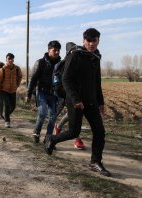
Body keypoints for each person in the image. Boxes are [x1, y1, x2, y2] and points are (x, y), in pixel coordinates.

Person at [44, 28, 111, 177]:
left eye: (94, 41)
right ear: (83, 41)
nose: (91, 44)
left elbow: (97, 81)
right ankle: (52, 139)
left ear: (98, 41)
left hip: (91, 101)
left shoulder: (96, 57)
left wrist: (101, 101)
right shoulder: (76, 55)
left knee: (100, 131)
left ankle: (95, 162)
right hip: (75, 101)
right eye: (88, 41)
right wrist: (75, 99)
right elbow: (66, 79)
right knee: (74, 131)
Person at [25, 40, 61, 143]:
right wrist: (28, 94)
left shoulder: (60, 64)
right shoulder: (40, 62)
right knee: (43, 112)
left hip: (54, 94)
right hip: (41, 92)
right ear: (49, 50)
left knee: (53, 116)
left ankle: (48, 138)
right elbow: (33, 79)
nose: (57, 52)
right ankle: (37, 131)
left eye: (58, 50)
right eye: (54, 50)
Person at [53, 42, 85, 150]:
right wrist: (66, 95)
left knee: (71, 116)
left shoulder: (79, 62)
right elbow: (58, 84)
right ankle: (77, 138)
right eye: (72, 51)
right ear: (68, 52)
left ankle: (58, 127)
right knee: (75, 117)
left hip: (78, 95)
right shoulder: (61, 65)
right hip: (68, 96)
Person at [0, 53, 22, 128]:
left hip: (13, 90)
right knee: (7, 105)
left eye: (12, 59)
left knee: (13, 106)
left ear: (13, 59)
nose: (10, 60)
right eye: (9, 59)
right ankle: (7, 121)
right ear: (6, 60)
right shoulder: (2, 69)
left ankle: (6, 115)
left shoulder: (17, 69)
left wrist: (17, 85)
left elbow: (20, 76)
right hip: (4, 90)